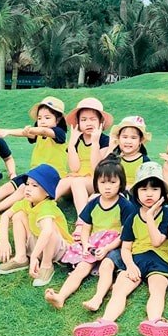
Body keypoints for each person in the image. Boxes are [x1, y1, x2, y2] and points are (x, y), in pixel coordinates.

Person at [72, 162, 168, 336]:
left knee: (157, 289)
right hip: (135, 259)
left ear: (162, 192)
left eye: (154, 189)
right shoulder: (132, 217)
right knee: (119, 290)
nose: (149, 194)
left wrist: (150, 215)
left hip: (160, 261)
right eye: (144, 189)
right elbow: (126, 248)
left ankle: (155, 321)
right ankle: (105, 322)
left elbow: (157, 241)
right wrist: (129, 265)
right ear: (136, 192)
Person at [44, 155, 136, 310]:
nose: (107, 187)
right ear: (96, 184)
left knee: (106, 267)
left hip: (115, 246)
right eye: (103, 182)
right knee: (82, 267)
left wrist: (107, 249)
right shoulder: (93, 203)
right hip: (95, 242)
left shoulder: (125, 205)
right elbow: (86, 227)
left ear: (121, 183)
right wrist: (86, 244)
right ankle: (61, 296)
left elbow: (124, 234)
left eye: (112, 182)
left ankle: (97, 298)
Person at [0, 164, 70, 287]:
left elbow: (47, 232)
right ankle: (21, 258)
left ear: (47, 192)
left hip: (57, 249)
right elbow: (5, 216)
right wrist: (4, 241)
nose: (28, 189)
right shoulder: (26, 202)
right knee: (18, 215)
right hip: (38, 243)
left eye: (35, 186)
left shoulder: (47, 206)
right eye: (28, 184)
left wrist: (34, 257)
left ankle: (46, 265)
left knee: (49, 227)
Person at [0, 96, 69, 212]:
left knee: (23, 188)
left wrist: (30, 130)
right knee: (12, 184)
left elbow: (43, 131)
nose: (42, 121)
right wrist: (8, 132)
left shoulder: (59, 133)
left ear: (57, 120)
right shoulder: (38, 134)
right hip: (35, 174)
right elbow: (24, 133)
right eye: (39, 118)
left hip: (52, 176)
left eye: (47, 117)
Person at [58, 98, 113, 238]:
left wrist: (95, 142)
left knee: (77, 181)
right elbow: (74, 168)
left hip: (96, 180)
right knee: (64, 181)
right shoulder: (78, 140)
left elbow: (97, 168)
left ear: (101, 122)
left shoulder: (104, 140)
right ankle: (42, 203)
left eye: (93, 119)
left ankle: (82, 221)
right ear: (78, 123)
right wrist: (71, 144)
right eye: (83, 120)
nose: (88, 123)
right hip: (79, 178)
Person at [104, 114, 150, 187]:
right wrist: (110, 149)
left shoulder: (144, 161)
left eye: (133, 138)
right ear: (118, 138)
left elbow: (147, 184)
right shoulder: (115, 159)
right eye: (125, 137)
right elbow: (103, 172)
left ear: (140, 141)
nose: (128, 141)